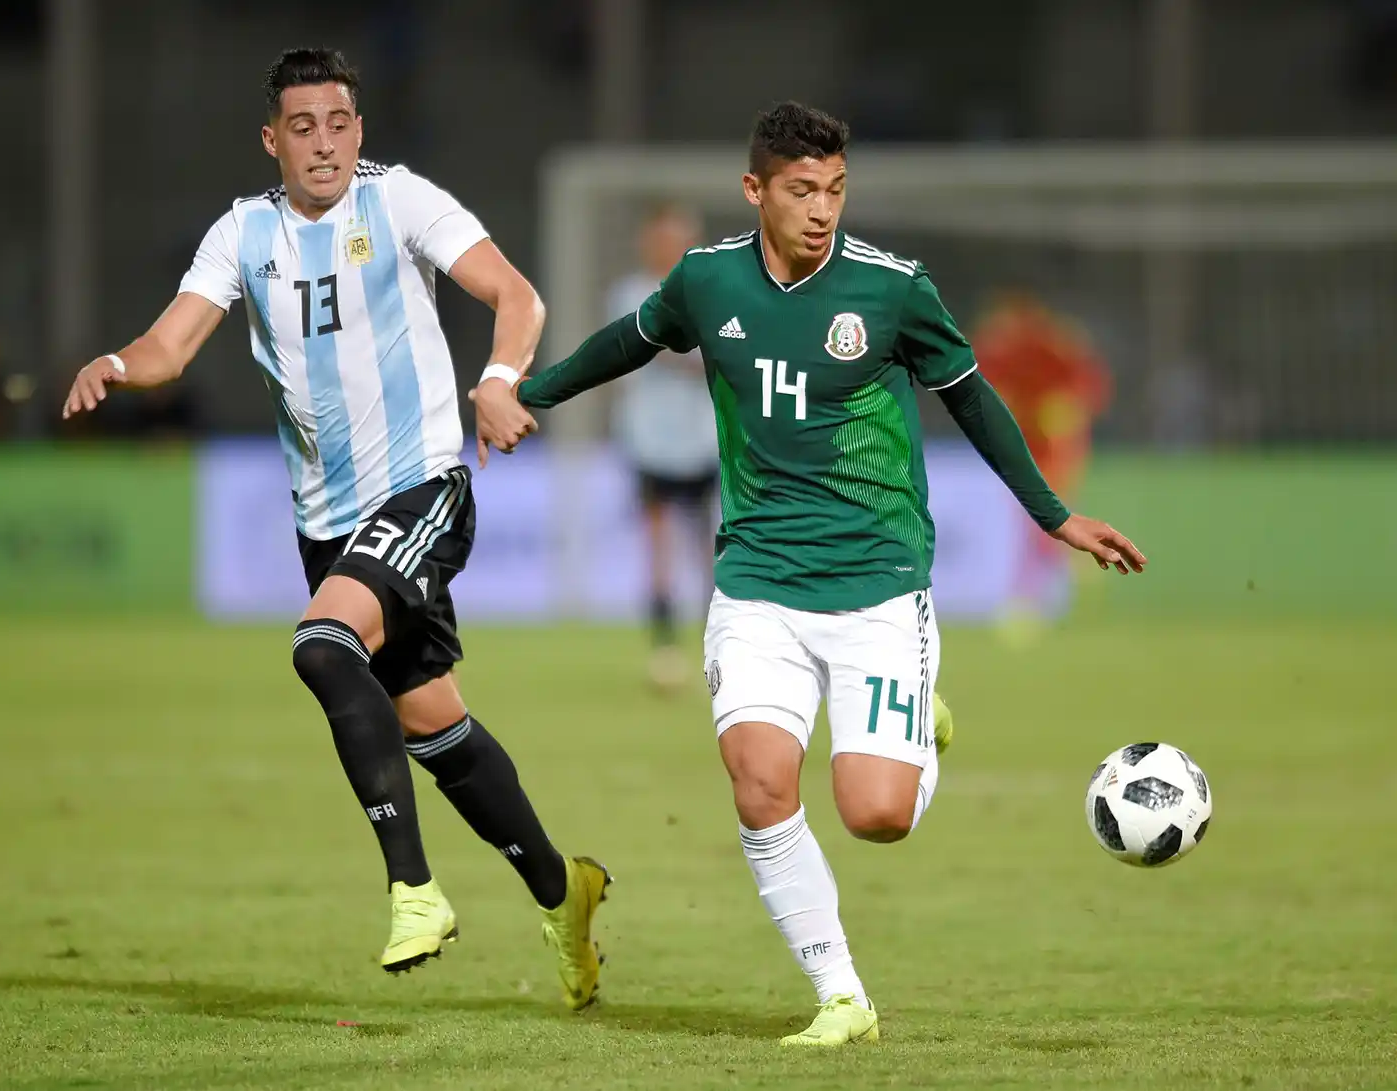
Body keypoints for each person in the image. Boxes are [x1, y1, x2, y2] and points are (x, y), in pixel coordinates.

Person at [471, 101, 1145, 1046]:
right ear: (755, 190)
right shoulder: (707, 280)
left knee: (877, 815)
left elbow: (975, 401)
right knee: (759, 783)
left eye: (834, 189)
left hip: (878, 579)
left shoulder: (893, 290)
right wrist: (521, 393)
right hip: (757, 580)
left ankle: (922, 726)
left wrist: (1054, 514)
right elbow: (629, 340)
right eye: (801, 190)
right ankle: (842, 996)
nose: (822, 209)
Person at [62, 48, 608, 1011]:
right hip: (327, 521)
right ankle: (565, 893)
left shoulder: (398, 202)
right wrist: (116, 362)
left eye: (340, 123)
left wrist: (497, 381)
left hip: (423, 485)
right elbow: (170, 345)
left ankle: (414, 889)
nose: (324, 143)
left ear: (360, 129)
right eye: (303, 127)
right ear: (271, 140)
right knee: (432, 723)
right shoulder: (243, 232)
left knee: (322, 644)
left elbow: (517, 295)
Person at [605, 204, 720, 689]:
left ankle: (720, 644)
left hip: (705, 439)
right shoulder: (630, 295)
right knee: (659, 545)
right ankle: (665, 645)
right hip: (651, 440)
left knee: (710, 543)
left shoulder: (711, 292)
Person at [969, 294, 1113, 626]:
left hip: (1053, 445)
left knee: (1043, 515)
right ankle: (1065, 574)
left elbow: (1088, 386)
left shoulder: (1054, 344)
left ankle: (1040, 590)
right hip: (1020, 445)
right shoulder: (996, 347)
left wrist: (1067, 407)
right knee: (1032, 520)